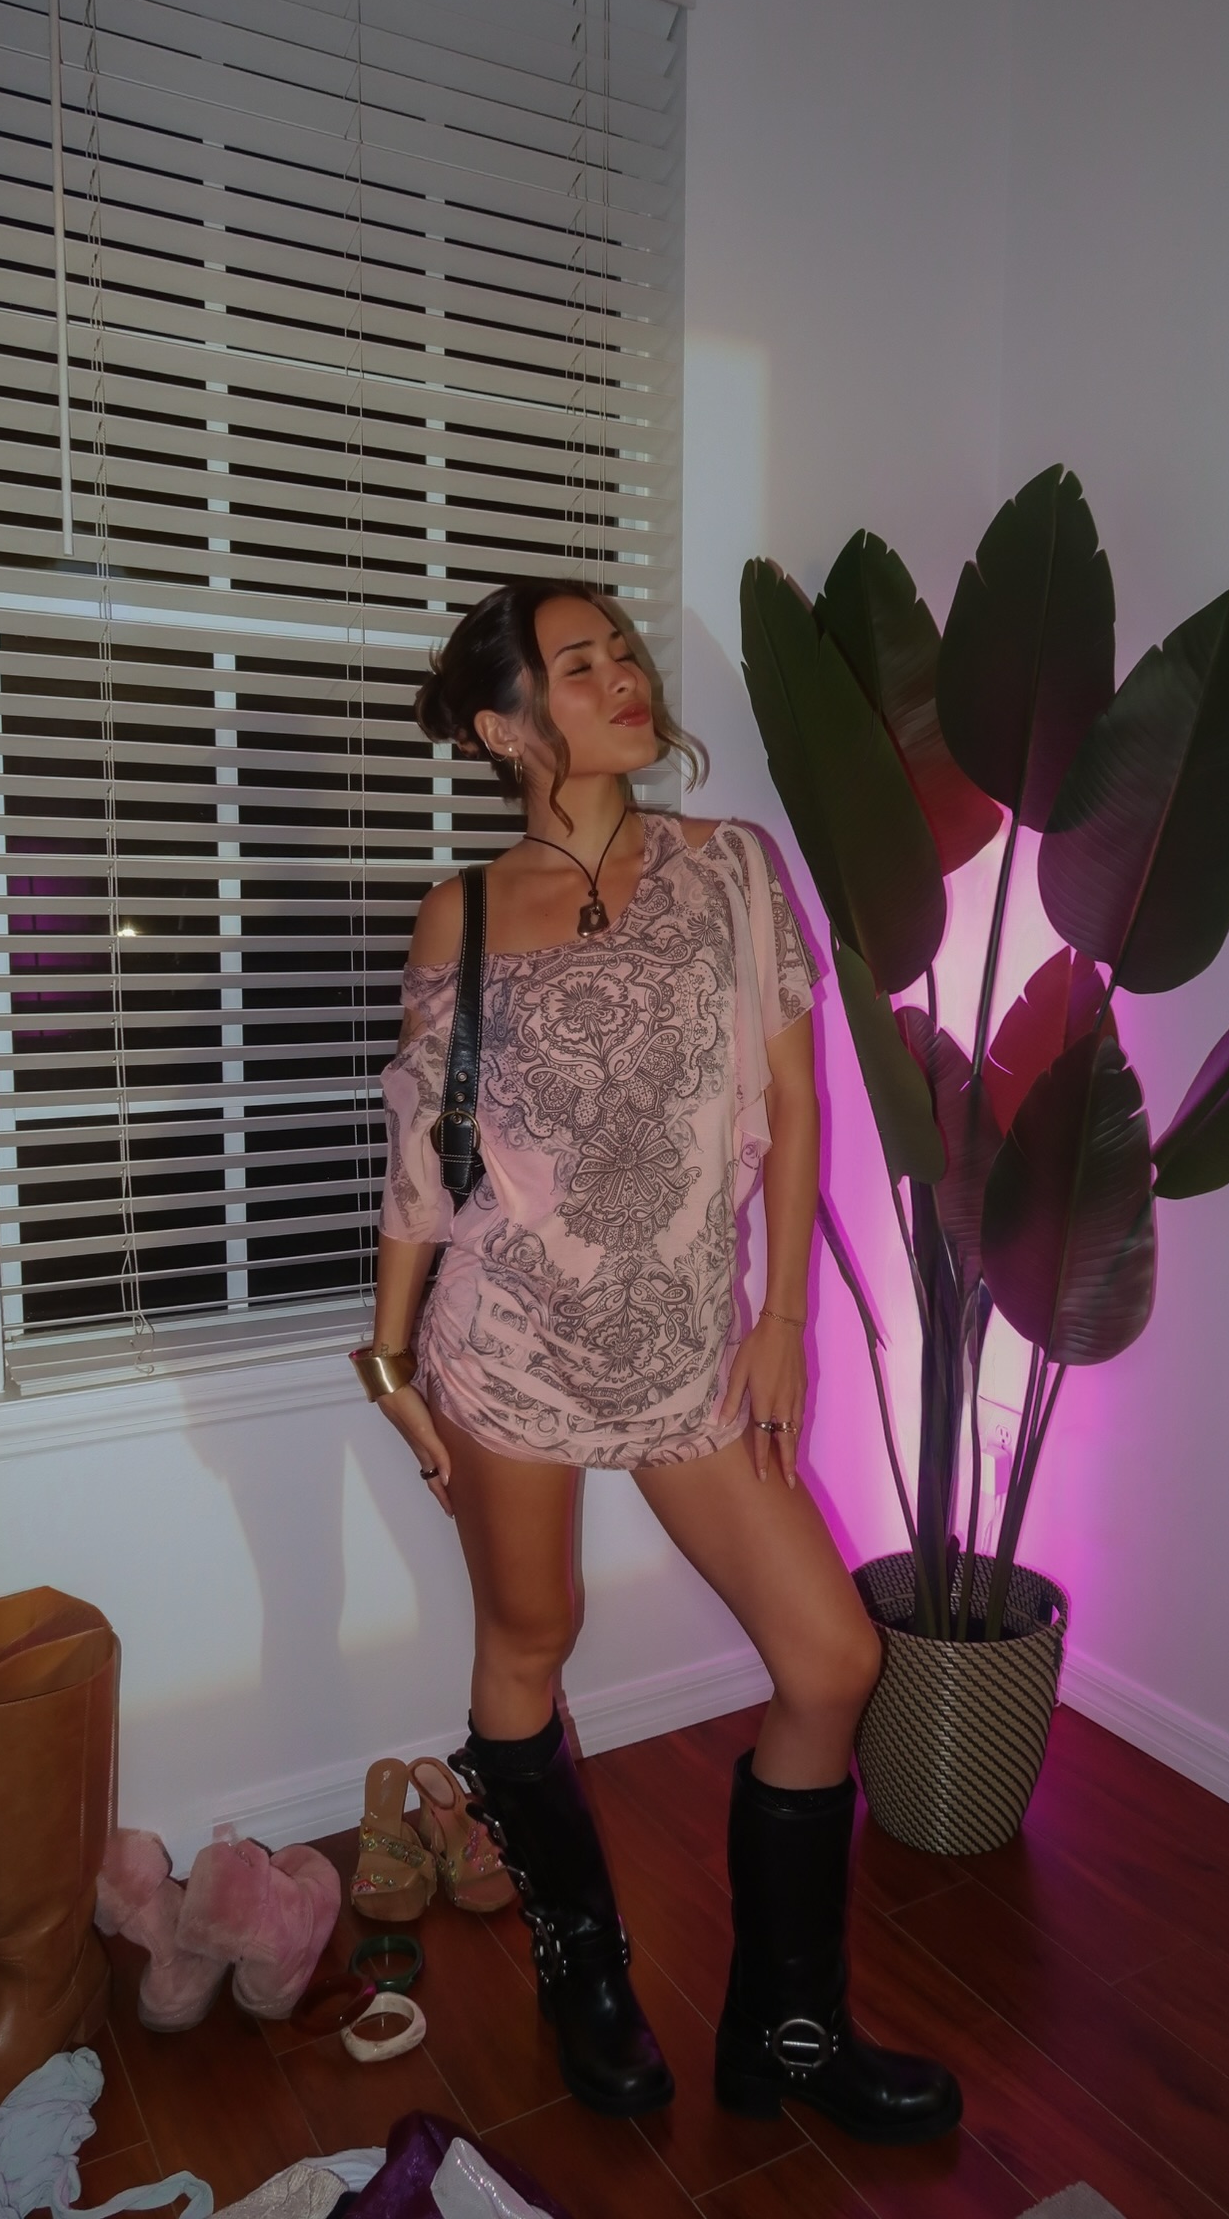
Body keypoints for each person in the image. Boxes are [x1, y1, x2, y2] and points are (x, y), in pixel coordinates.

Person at [350, 578, 960, 2143]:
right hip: (509, 1345)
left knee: (830, 1660)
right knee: (531, 1637)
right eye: (580, 665)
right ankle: (584, 1974)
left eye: (620, 650)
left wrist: (784, 1323)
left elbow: (798, 1101)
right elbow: (426, 1153)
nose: (625, 674)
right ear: (506, 728)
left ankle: (789, 2027)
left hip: (694, 1349)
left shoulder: (731, 867)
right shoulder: (462, 912)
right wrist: (391, 1363)